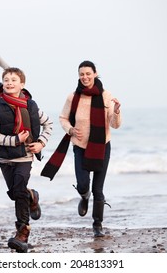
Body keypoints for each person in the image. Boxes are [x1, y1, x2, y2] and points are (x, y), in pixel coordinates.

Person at [41, 60, 121, 237]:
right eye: (81, 74)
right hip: (80, 146)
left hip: (102, 146)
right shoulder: (73, 97)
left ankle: (97, 225)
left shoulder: (106, 96)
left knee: (98, 189)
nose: (85, 77)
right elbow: (63, 118)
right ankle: (84, 197)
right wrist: (70, 129)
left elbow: (114, 125)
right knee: (84, 184)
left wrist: (116, 111)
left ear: (95, 73)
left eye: (88, 74)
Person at [0, 67, 53, 253]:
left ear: (22, 84)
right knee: (17, 192)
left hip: (25, 156)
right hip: (4, 157)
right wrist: (15, 140)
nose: (9, 82)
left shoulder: (31, 105)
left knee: (18, 190)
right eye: (6, 79)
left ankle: (22, 233)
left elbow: (48, 124)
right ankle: (32, 196)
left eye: (14, 80)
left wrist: (41, 142)